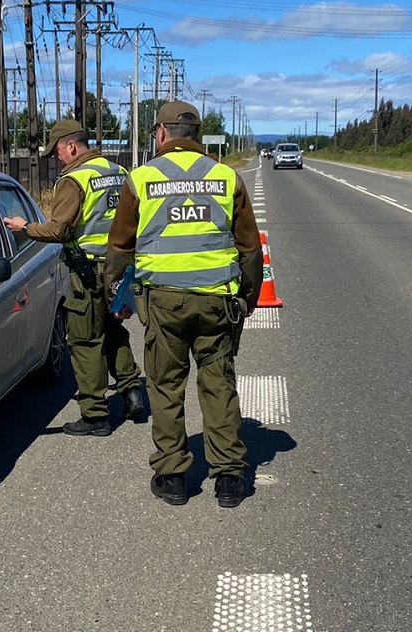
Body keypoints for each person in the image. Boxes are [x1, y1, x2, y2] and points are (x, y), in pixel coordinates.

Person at [103, 102, 263, 508]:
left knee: (165, 386)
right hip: (217, 303)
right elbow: (248, 246)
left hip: (163, 304)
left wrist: (114, 295)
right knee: (218, 384)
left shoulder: (140, 179)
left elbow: (121, 246)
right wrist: (249, 296)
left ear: (160, 133)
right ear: (195, 134)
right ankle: (228, 478)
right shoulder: (228, 178)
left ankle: (172, 476)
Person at [4, 119, 144, 437]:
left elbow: (60, 230)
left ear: (70, 145)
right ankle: (132, 391)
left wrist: (24, 227)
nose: (56, 159)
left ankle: (95, 415)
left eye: (56, 152)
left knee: (84, 340)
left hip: (88, 271)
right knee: (113, 329)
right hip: (119, 268)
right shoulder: (118, 172)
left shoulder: (74, 179)